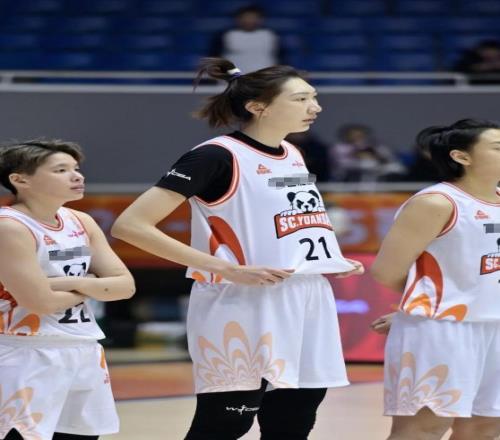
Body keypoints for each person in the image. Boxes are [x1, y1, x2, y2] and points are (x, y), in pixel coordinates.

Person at [111, 57, 364, 440]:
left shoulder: (292, 153)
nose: (316, 107)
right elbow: (130, 226)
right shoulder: (215, 155)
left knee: (294, 420)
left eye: (313, 97)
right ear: (258, 106)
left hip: (305, 297)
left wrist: (326, 258)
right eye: (301, 99)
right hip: (241, 299)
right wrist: (226, 268)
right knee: (227, 423)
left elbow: (282, 222)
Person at [370, 119, 500, 440]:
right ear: (462, 156)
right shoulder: (436, 202)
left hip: (494, 327)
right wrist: (424, 308)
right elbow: (386, 270)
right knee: (424, 429)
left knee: (484, 429)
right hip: (444, 330)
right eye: (497, 147)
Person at [0, 140, 135, 440]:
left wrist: (70, 283)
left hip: (83, 348)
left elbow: (125, 286)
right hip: (24, 351)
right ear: (20, 180)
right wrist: (96, 286)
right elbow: (41, 303)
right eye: (61, 170)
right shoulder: (10, 226)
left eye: (76, 168)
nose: (77, 176)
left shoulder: (81, 221)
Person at [209, 5, 283, 74]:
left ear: (261, 19)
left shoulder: (271, 35)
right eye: (246, 17)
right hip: (233, 78)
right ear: (238, 19)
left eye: (253, 18)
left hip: (264, 78)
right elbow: (215, 57)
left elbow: (279, 57)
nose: (249, 21)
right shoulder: (226, 35)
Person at [328, 123, 405, 182]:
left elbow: (393, 162)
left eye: (359, 135)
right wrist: (358, 156)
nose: (356, 138)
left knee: (395, 168)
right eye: (353, 135)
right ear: (346, 136)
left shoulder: (375, 146)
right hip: (344, 182)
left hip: (374, 183)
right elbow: (343, 164)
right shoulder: (339, 148)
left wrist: (376, 158)